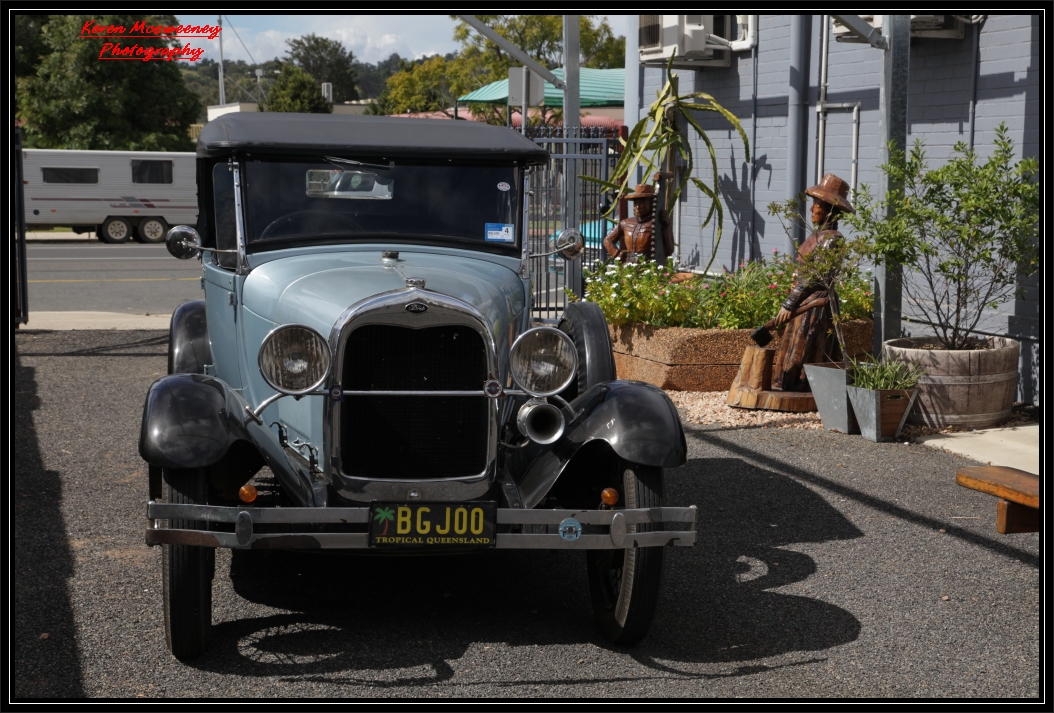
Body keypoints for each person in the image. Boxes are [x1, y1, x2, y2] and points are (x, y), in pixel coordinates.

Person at [771, 173, 855, 392]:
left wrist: (791, 301)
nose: (811, 209)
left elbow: (817, 277)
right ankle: (787, 384)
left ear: (828, 209)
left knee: (808, 346)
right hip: (804, 301)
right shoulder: (816, 237)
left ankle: (805, 389)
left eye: (816, 204)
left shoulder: (832, 239)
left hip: (815, 305)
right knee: (794, 345)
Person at [601, 183, 672, 263]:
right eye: (636, 203)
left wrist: (667, 227)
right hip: (629, 267)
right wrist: (616, 253)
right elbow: (608, 240)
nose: (638, 207)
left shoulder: (657, 223)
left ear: (651, 203)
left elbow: (669, 250)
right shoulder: (626, 223)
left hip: (649, 267)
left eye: (642, 203)